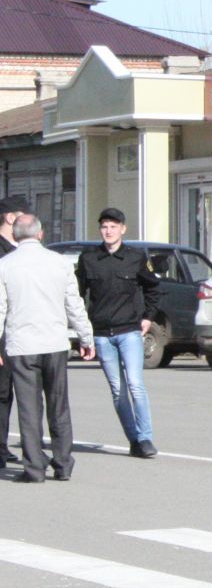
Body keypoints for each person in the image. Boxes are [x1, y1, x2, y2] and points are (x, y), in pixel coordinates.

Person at [0, 214, 93, 483]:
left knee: (29, 409)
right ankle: (63, 463)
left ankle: (34, 468)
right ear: (41, 235)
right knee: (58, 403)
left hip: (21, 345)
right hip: (54, 342)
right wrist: (86, 338)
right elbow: (73, 304)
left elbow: (0, 308)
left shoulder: (5, 265)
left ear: (16, 236)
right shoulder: (60, 263)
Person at [73, 207, 161, 458]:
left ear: (123, 229)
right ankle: (134, 439)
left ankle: (145, 438)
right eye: (104, 226)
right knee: (117, 389)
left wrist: (147, 317)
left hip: (129, 331)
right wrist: (83, 334)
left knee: (135, 385)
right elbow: (77, 296)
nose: (108, 231)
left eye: (113, 226)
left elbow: (153, 287)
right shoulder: (89, 258)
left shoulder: (135, 257)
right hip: (101, 334)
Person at [0, 194, 28, 470]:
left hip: (19, 333)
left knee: (8, 393)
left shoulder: (20, 250)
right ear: (10, 218)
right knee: (1, 392)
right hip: (2, 334)